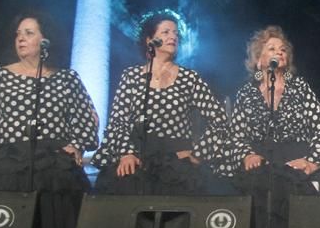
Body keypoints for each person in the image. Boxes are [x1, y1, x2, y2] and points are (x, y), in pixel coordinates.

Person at [0, 12, 99, 228]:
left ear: (45, 40)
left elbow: (88, 120)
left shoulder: (66, 78)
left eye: (28, 33)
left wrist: (77, 144)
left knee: (54, 226)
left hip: (54, 163)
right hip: (10, 161)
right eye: (18, 34)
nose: (21, 39)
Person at [225, 25, 320, 228]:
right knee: (254, 192)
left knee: (290, 192)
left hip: (292, 164)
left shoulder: (300, 89)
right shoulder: (246, 92)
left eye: (283, 49)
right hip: (260, 164)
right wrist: (246, 155)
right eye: (271, 48)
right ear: (258, 59)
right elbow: (236, 135)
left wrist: (312, 162)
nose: (279, 52)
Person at [91, 10, 227, 195]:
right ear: (149, 40)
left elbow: (219, 119)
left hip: (177, 163)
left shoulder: (190, 78)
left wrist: (198, 154)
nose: (173, 37)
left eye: (175, 33)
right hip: (137, 159)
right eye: (166, 32)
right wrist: (126, 153)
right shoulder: (131, 76)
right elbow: (118, 121)